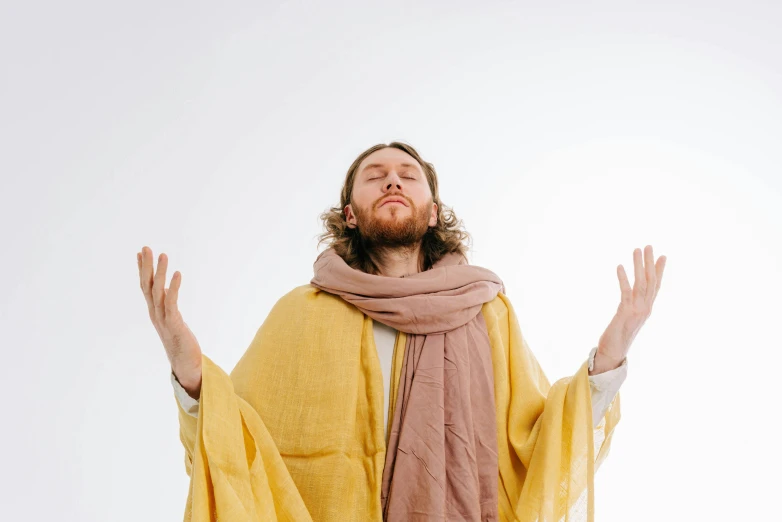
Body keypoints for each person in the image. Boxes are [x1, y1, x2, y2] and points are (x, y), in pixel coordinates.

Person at [137, 142, 666, 522]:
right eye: (375, 175)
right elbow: (235, 441)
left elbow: (545, 436)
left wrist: (614, 348)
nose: (392, 180)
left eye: (408, 175)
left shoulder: (486, 312)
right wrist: (187, 364)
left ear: (433, 213)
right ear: (349, 214)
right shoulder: (300, 313)